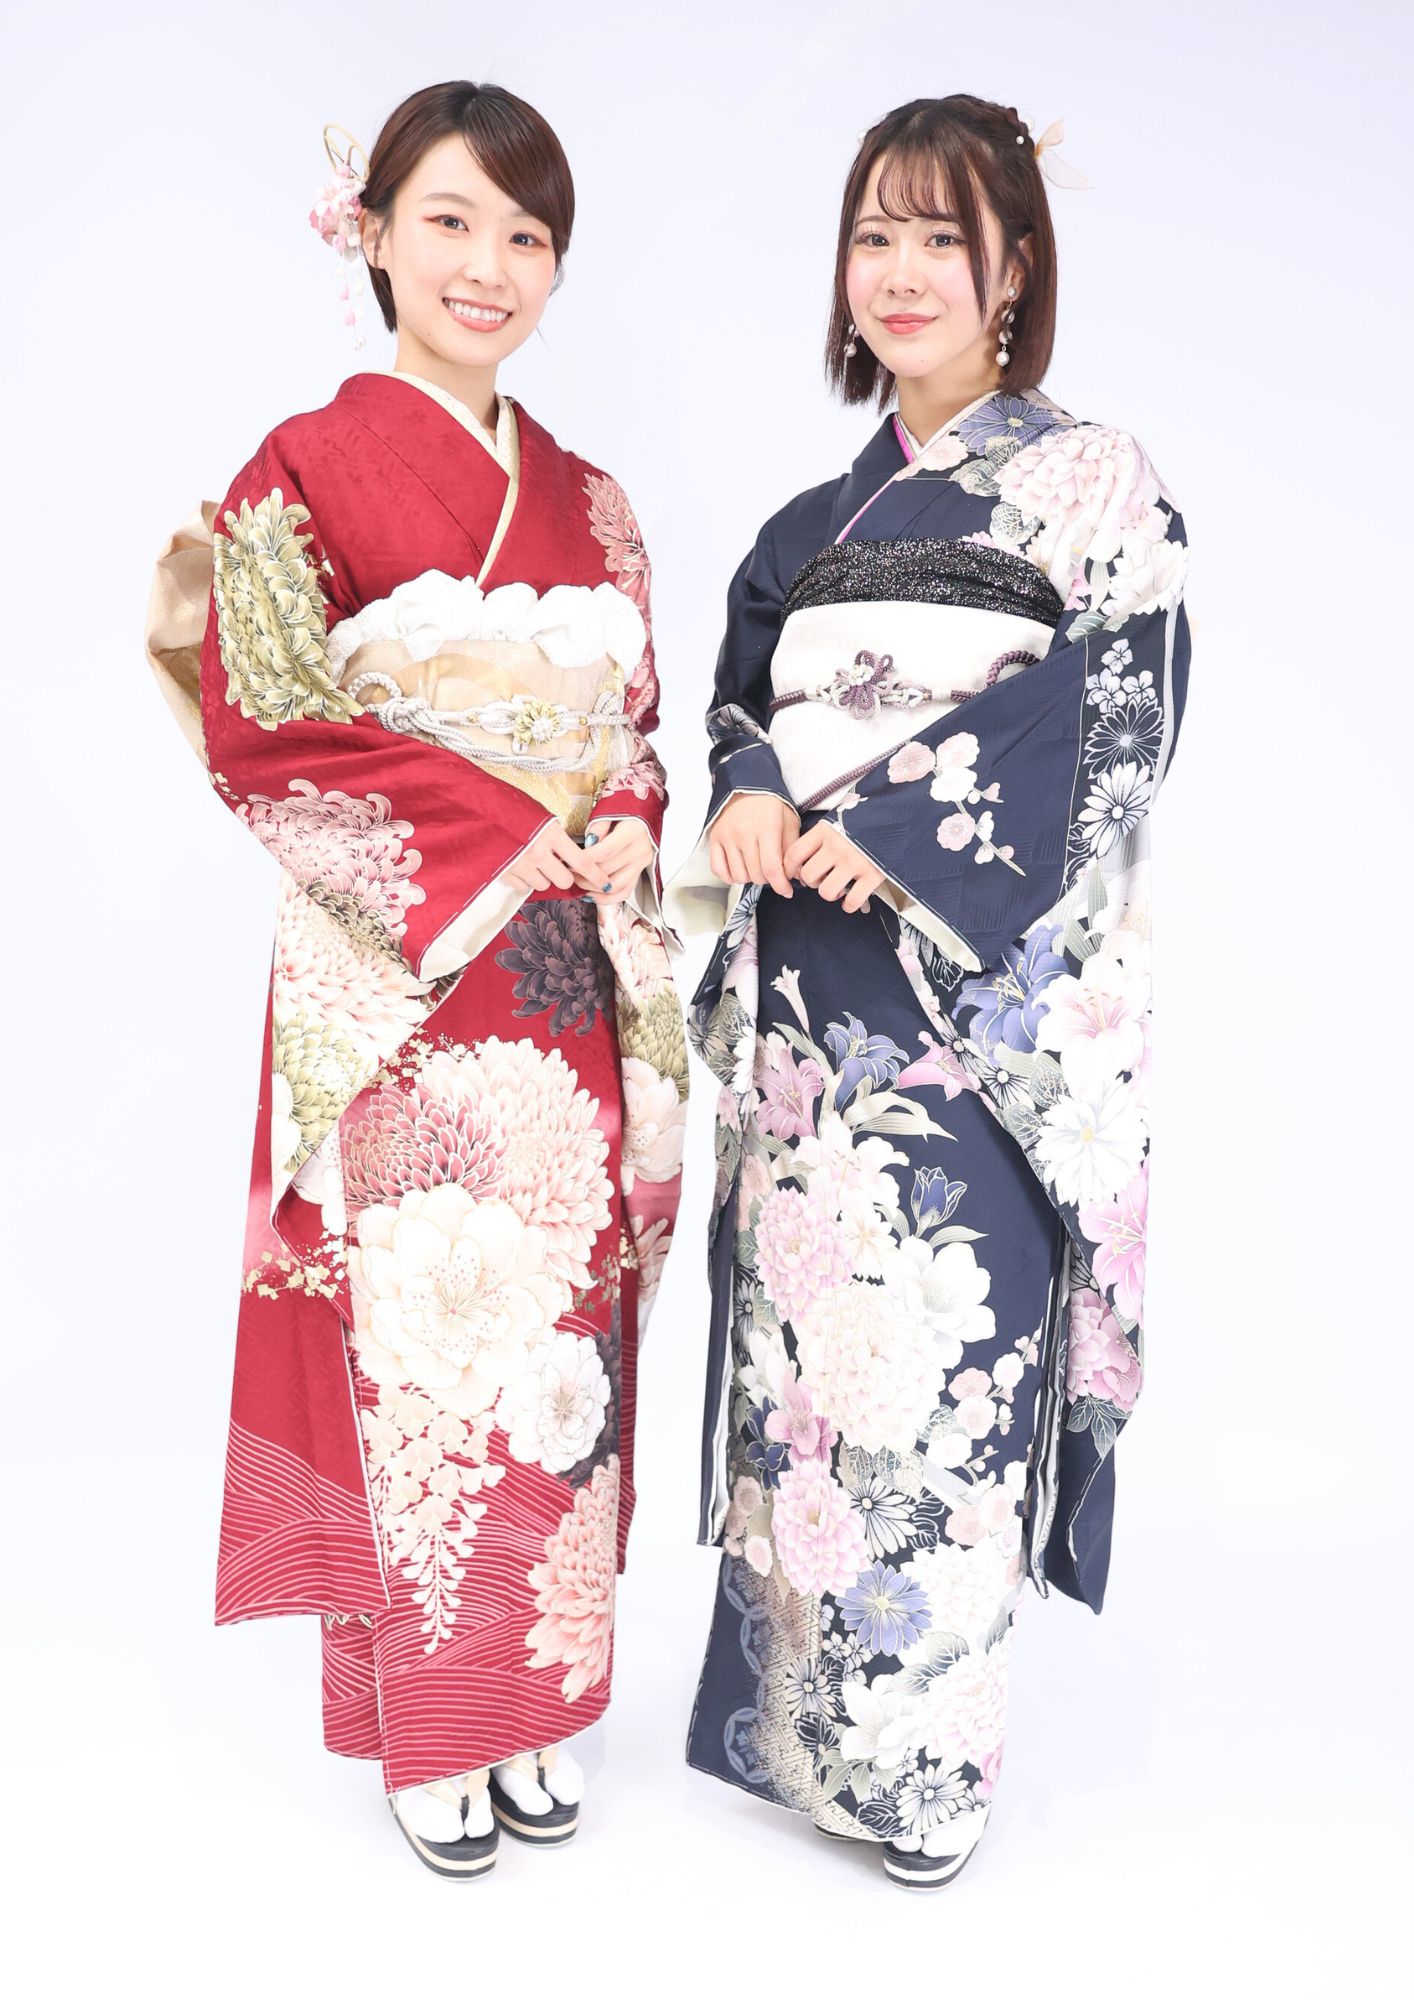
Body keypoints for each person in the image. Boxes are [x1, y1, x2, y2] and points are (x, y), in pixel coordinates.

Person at [145, 79, 686, 1878]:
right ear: (369, 232)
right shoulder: (298, 470)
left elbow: (632, 726)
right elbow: (264, 724)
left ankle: (537, 1703)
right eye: (449, 220)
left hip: (566, 972)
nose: (488, 265)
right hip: (404, 977)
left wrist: (624, 816)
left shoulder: (596, 504)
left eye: (527, 236)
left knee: (560, 1347)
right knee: (430, 1342)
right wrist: (497, 827)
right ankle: (428, 1726)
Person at [666, 93, 1190, 1890]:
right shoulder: (806, 520)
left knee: (944, 1365)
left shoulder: (1094, 481)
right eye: (872, 236)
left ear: (1012, 269)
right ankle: (804, 1744)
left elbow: (1118, 707)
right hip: (812, 1015)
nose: (899, 272)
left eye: (941, 240)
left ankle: (921, 1774)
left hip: (969, 1012)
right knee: (811, 1374)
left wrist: (894, 832)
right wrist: (749, 792)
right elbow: (738, 703)